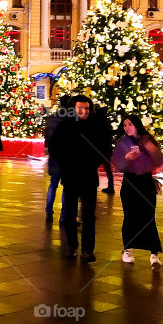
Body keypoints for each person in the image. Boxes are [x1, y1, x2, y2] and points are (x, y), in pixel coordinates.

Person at [47, 94, 107, 262]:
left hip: (88, 176)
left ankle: (88, 250)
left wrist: (93, 162)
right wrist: (67, 163)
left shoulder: (95, 126)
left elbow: (102, 148)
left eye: (87, 108)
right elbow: (55, 148)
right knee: (70, 214)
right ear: (74, 109)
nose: (84, 111)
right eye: (80, 108)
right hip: (71, 175)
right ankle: (72, 245)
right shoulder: (65, 126)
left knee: (88, 215)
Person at [111, 113, 163, 269]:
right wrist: (127, 158)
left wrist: (150, 148)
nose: (127, 128)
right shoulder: (122, 142)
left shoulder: (147, 139)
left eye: (130, 124)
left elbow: (158, 160)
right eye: (125, 125)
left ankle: (154, 254)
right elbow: (117, 165)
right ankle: (127, 250)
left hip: (146, 183)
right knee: (129, 217)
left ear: (137, 125)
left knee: (149, 217)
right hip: (130, 183)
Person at [43, 102, 65, 224]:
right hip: (66, 157)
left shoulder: (52, 118)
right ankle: (64, 215)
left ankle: (49, 212)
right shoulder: (70, 119)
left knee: (53, 184)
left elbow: (47, 136)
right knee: (66, 187)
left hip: (54, 156)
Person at [95, 105, 115, 194]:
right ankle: (111, 186)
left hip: (100, 150)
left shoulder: (97, 124)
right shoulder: (107, 124)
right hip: (107, 149)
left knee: (93, 168)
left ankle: (93, 184)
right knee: (108, 169)